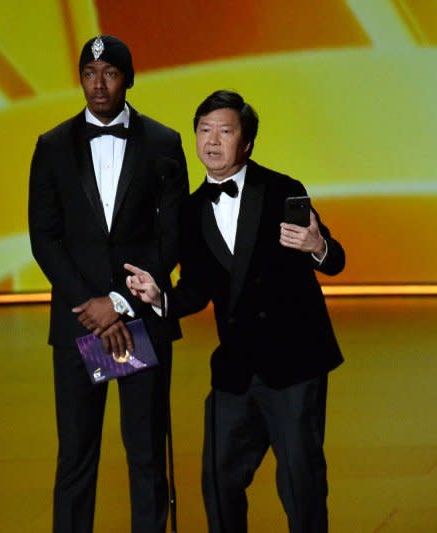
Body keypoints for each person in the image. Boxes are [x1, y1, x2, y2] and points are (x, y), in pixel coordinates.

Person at [125, 89, 345, 532]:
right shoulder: (189, 211)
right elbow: (197, 289)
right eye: (204, 130)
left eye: (225, 131)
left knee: (302, 486)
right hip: (236, 369)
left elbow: (335, 259)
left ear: (246, 142)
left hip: (294, 365)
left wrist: (317, 245)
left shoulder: (283, 189)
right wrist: (160, 298)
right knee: (218, 482)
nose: (212, 141)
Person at [28, 35, 188, 533]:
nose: (98, 84)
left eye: (110, 73)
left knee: (144, 452)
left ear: (129, 78)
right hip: (81, 326)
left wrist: (117, 304)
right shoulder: (52, 146)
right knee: (77, 455)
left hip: (135, 320)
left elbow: (172, 237)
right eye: (89, 73)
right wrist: (92, 308)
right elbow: (44, 237)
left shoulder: (163, 142)